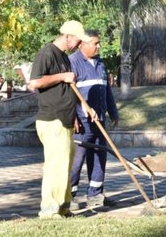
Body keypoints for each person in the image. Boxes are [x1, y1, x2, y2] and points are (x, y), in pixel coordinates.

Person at [28, 20, 93, 219]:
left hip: (65, 119)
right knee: (55, 166)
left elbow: (66, 89)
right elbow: (34, 83)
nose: (79, 44)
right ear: (67, 36)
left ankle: (63, 207)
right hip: (52, 119)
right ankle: (49, 211)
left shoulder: (63, 57)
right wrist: (62, 76)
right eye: (78, 40)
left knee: (66, 165)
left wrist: (73, 116)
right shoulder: (47, 53)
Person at [69, 30, 119, 209]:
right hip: (82, 123)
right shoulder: (72, 62)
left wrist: (113, 112)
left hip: (100, 119)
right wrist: (73, 116)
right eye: (95, 43)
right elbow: (68, 94)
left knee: (99, 156)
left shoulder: (100, 63)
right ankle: (69, 196)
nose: (98, 46)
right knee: (77, 159)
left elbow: (106, 91)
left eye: (99, 43)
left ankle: (95, 195)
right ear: (82, 44)